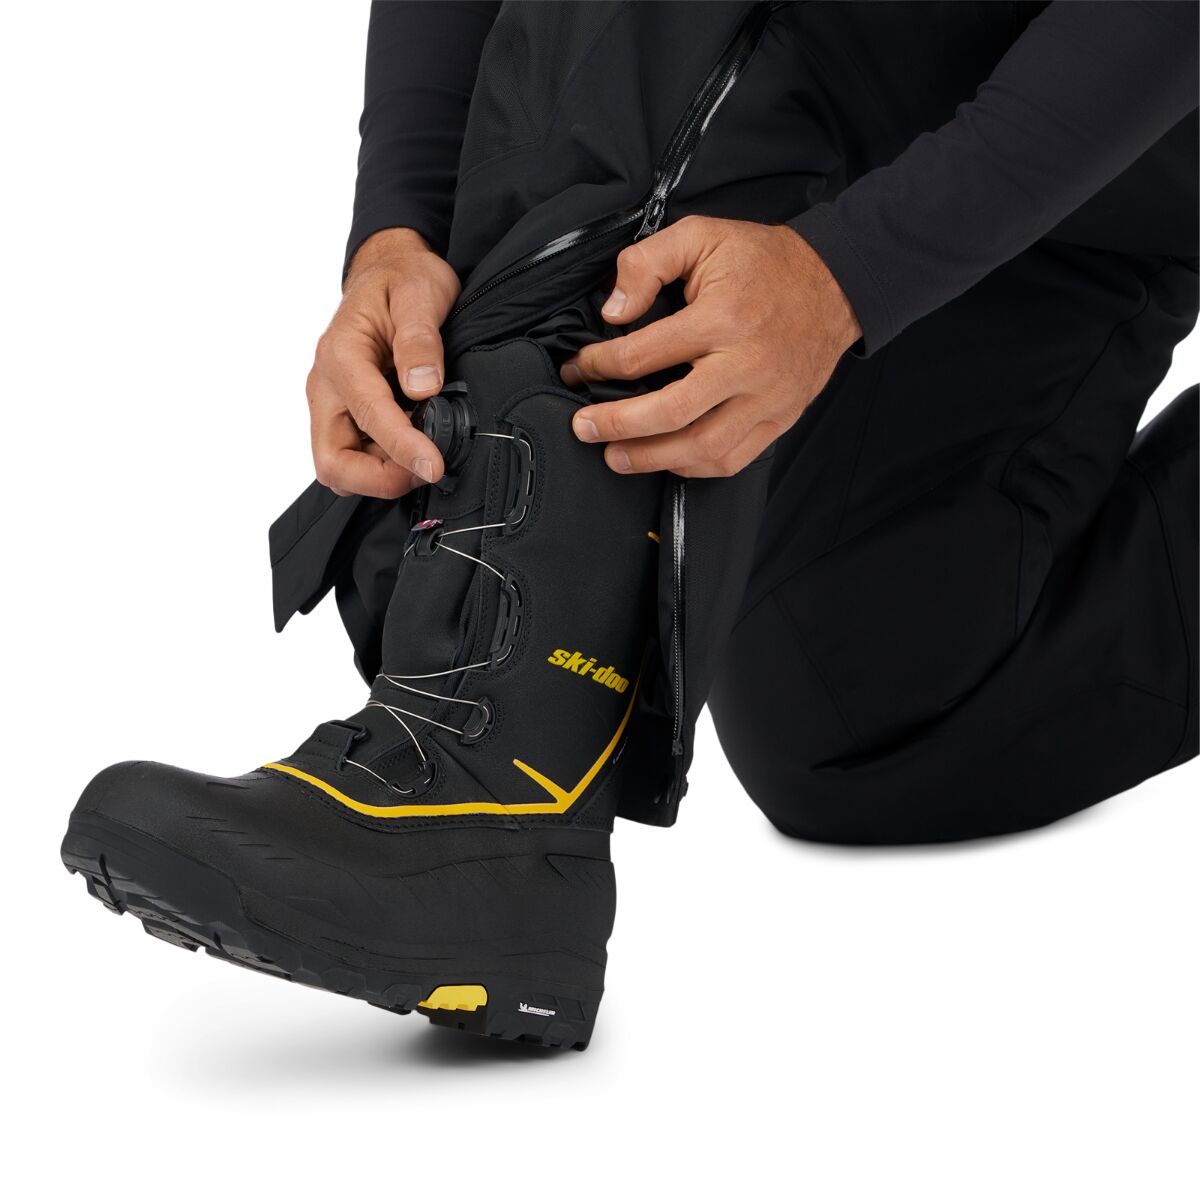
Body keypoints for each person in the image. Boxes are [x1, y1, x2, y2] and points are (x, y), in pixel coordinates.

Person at [63, 1, 1199, 1047]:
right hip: (989, 102)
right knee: (862, 708)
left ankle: (498, 788)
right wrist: (399, 231)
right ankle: (488, 768)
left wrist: (853, 275)